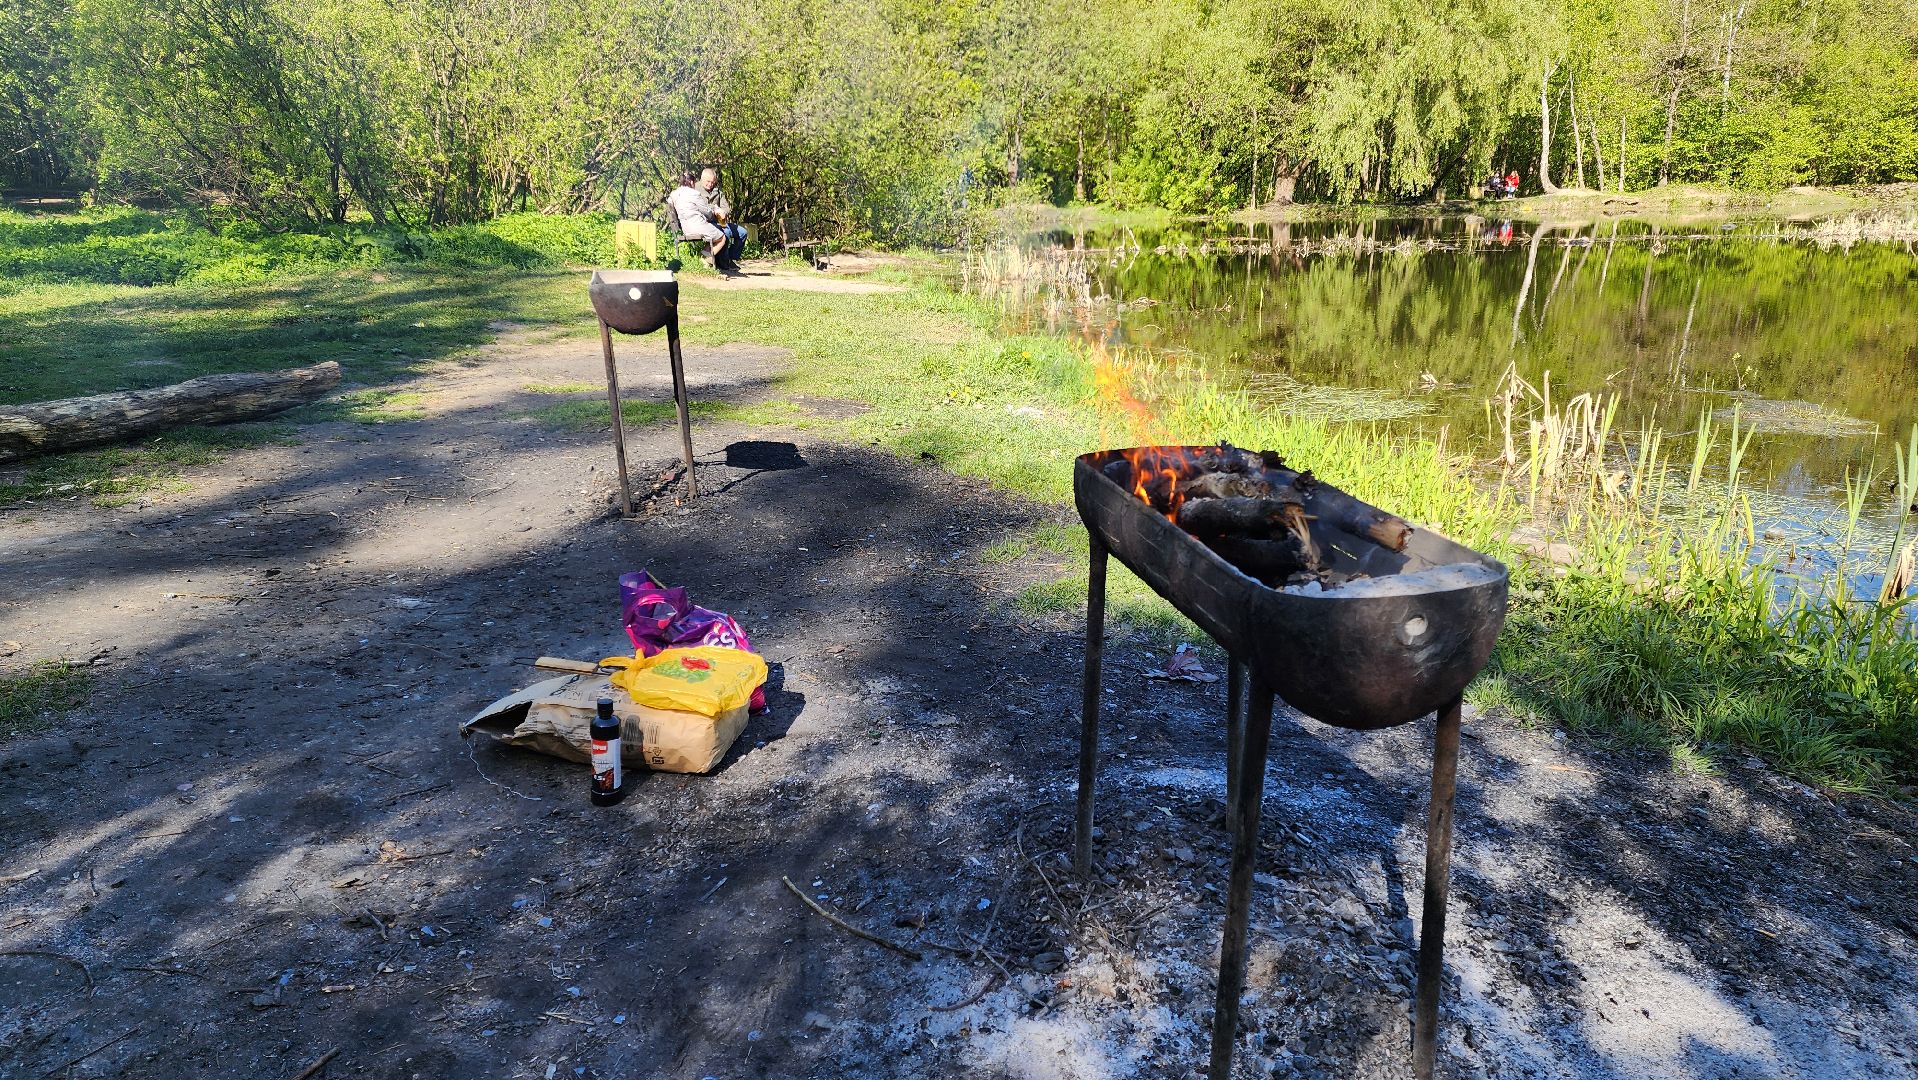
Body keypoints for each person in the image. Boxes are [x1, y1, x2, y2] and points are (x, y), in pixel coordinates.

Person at [697, 167, 747, 270]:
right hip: (706, 222)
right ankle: (723, 263)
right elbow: (700, 208)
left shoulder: (718, 191)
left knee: (743, 233)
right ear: (702, 179)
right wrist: (714, 209)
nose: (710, 184)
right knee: (726, 232)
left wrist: (723, 211)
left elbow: (727, 207)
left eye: (712, 182)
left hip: (721, 221)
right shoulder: (696, 190)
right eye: (708, 182)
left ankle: (730, 259)